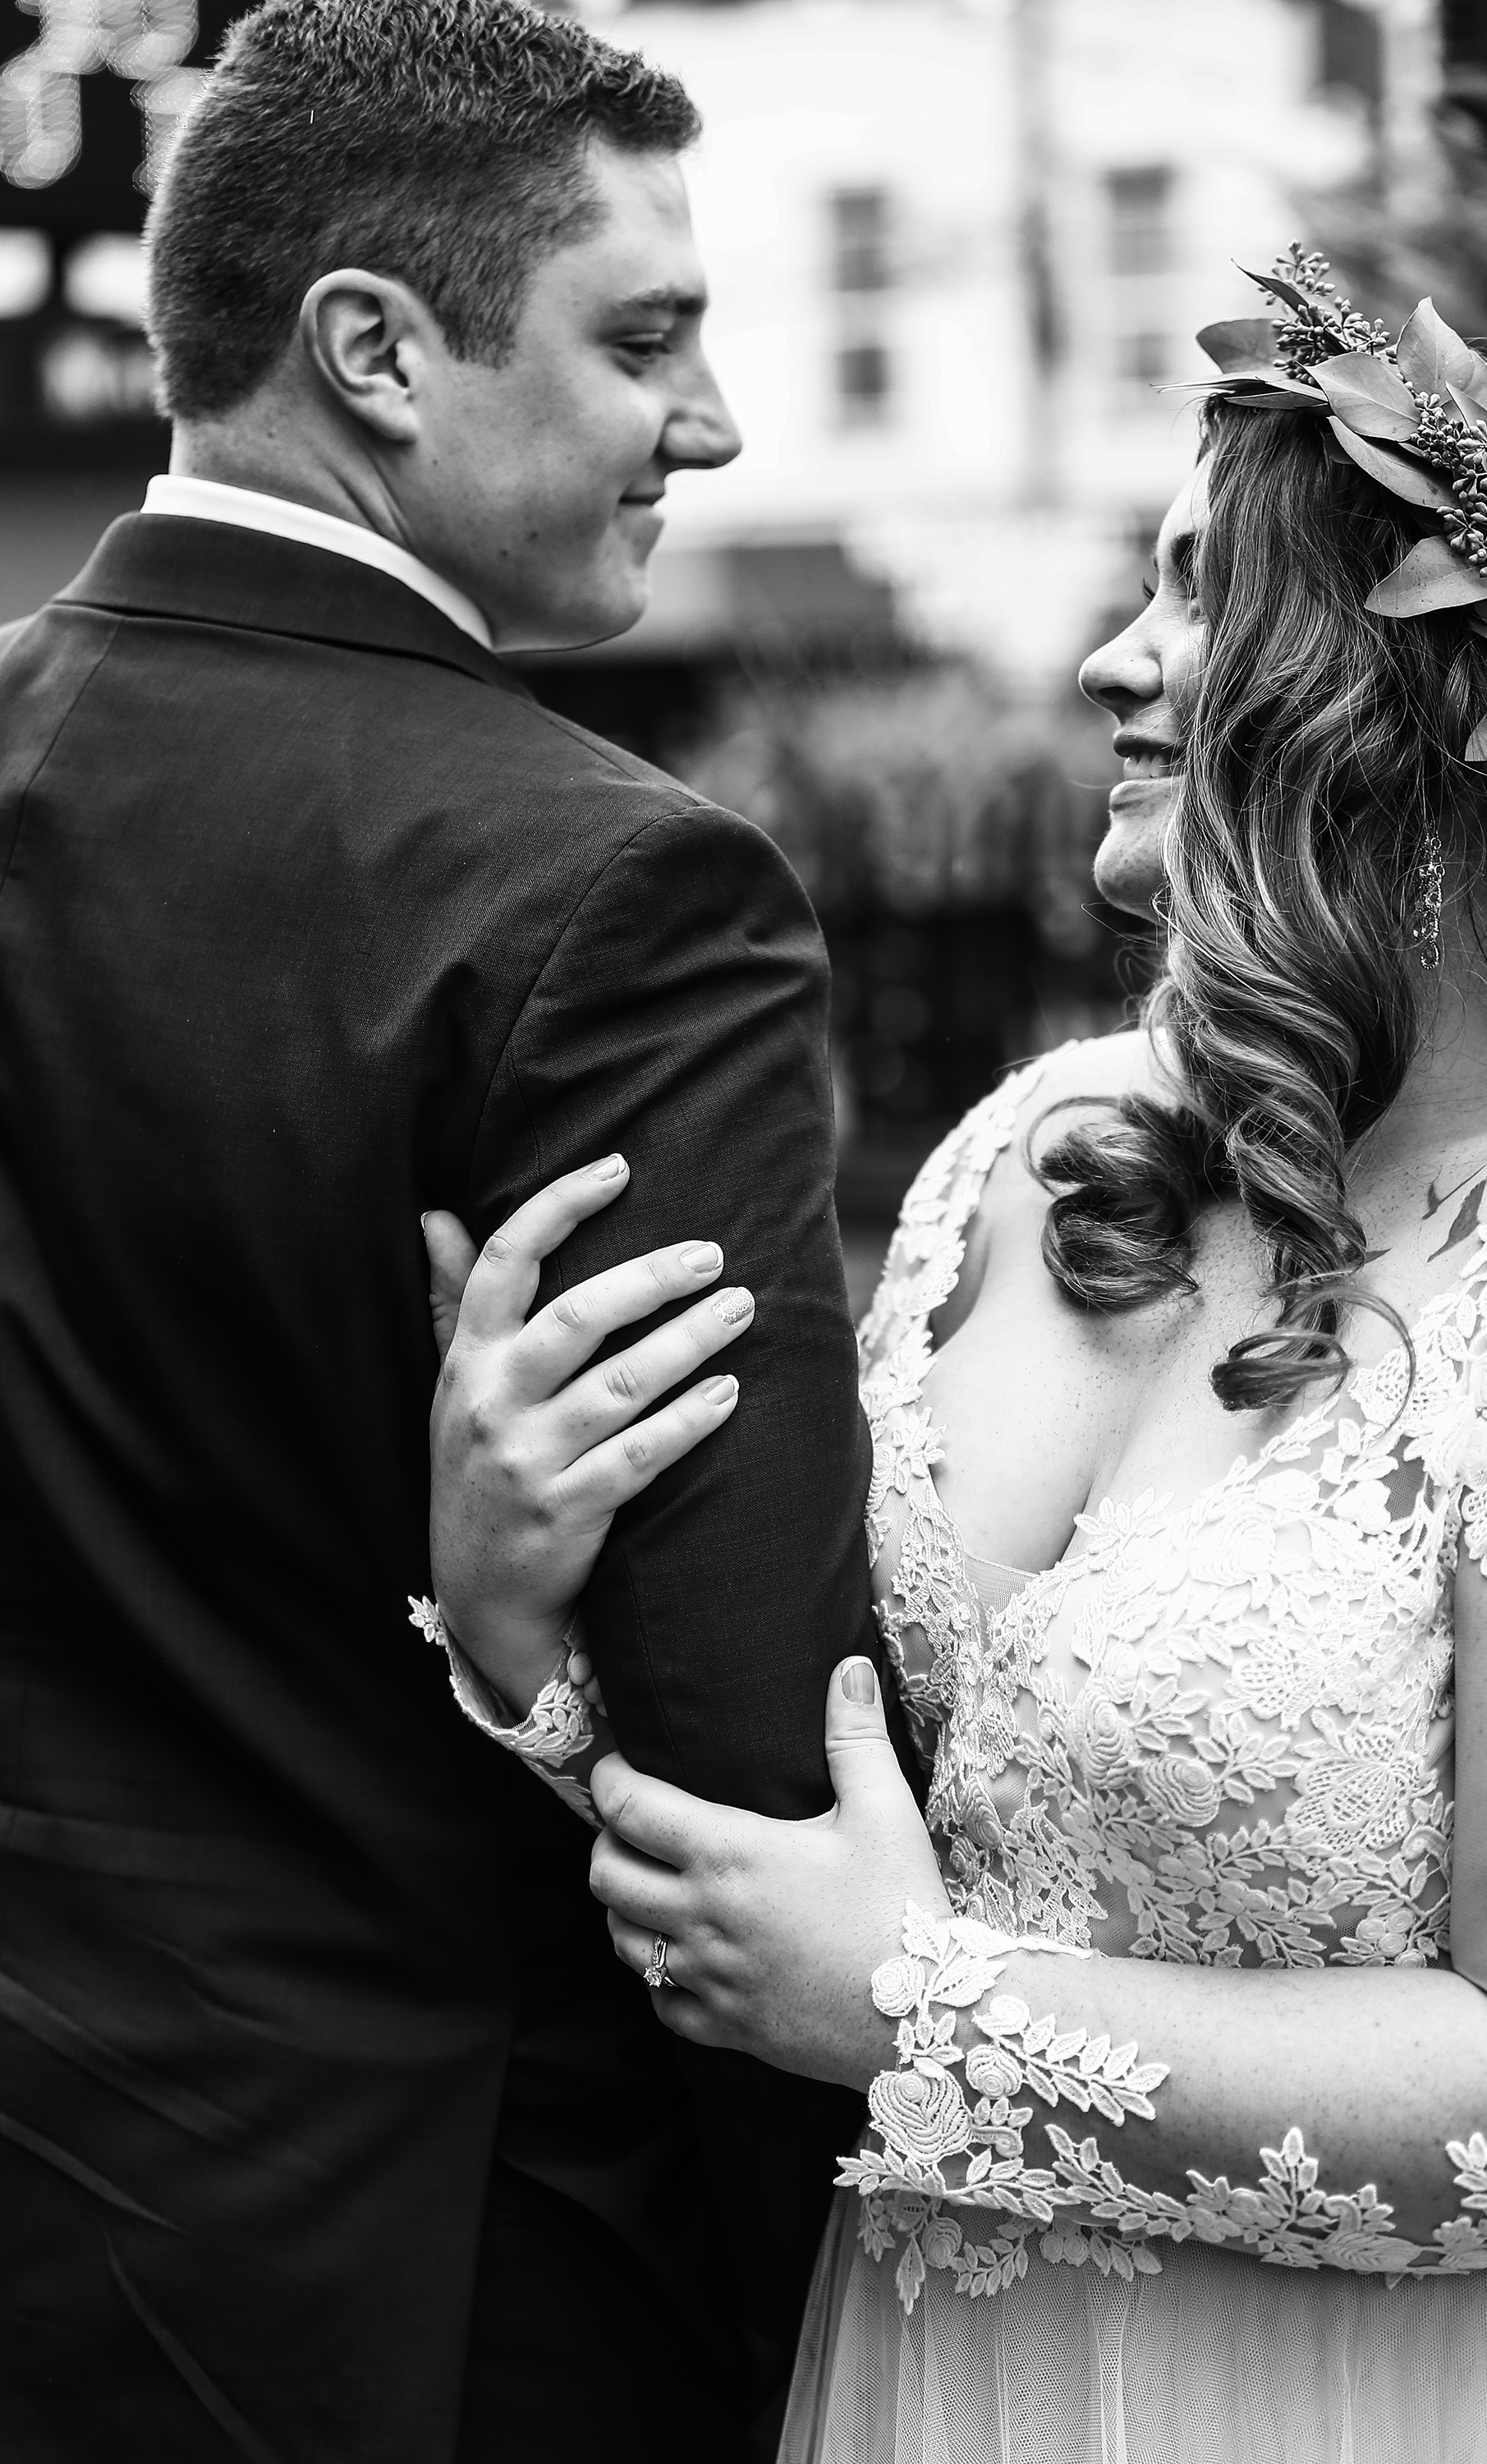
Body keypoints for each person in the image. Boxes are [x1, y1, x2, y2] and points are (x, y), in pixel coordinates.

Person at [434, 264, 1487, 2461]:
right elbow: (839, 1840)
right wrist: (531, 1629)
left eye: (1206, 597)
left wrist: (926, 2027)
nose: (1113, 657)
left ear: (1475, 709)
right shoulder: (1044, 1154)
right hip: (929, 2370)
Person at [0, 2, 889, 2456]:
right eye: (646, 341)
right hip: (443, 2272)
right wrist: (853, 2292)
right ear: (375, 352)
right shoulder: (612, 895)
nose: (702, 428)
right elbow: (744, 1725)